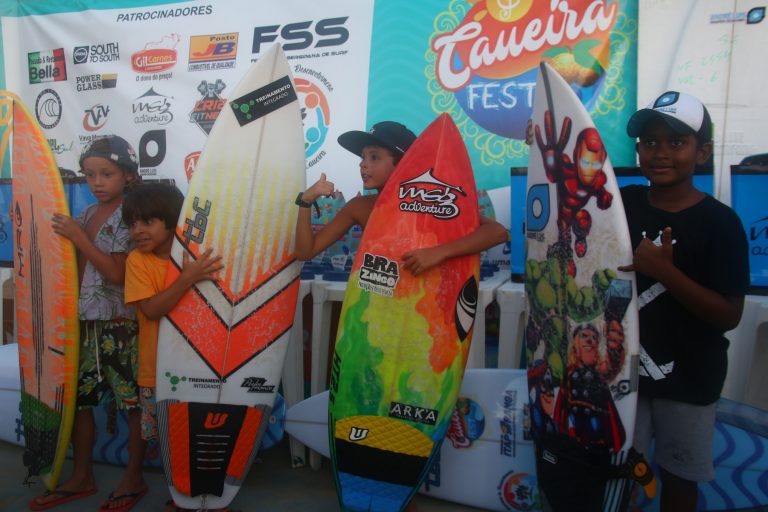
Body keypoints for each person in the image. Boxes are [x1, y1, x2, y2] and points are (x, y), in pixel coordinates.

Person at [619, 91, 750, 511]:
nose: (660, 152)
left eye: (676, 142)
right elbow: (570, 195)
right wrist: (543, 146)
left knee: (680, 478)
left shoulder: (721, 223)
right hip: (624, 376)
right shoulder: (624, 204)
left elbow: (729, 315)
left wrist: (666, 273)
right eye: (649, 142)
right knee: (619, 474)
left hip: (690, 380)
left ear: (702, 152)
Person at [30, 136, 145, 512]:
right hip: (82, 325)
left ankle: (134, 478)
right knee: (80, 401)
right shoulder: (86, 213)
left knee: (132, 403)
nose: (97, 182)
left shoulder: (131, 215)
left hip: (119, 326)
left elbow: (116, 274)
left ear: (128, 175)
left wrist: (79, 237)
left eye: (106, 174)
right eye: (90, 174)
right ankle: (82, 476)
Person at [121, 183, 224, 512]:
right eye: (132, 223)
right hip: (157, 371)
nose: (138, 230)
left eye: (148, 221)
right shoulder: (138, 261)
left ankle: (205, 497)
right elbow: (151, 310)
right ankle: (180, 497)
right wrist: (186, 279)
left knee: (201, 435)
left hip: (202, 367)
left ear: (172, 220)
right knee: (171, 438)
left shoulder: (198, 256)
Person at [294, 120, 508, 271]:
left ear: (404, 164)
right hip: (374, 309)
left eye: (374, 157)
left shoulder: (430, 201)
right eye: (363, 157)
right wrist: (305, 200)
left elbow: (497, 232)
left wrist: (439, 252)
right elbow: (306, 252)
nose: (363, 164)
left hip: (420, 312)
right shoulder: (359, 207)